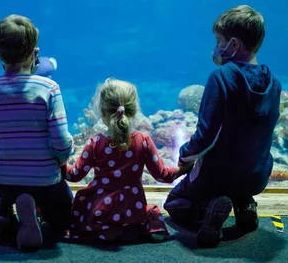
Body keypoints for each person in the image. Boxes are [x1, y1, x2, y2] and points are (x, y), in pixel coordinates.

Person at [164, 5, 282, 248]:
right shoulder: (275, 83)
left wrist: (185, 157)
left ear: (234, 45)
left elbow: (206, 136)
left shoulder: (220, 78)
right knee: (237, 178)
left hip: (219, 176)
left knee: (175, 203)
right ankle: (243, 203)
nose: (217, 47)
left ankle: (209, 209)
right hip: (256, 175)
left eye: (219, 40)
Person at [0, 14, 75, 252]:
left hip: (3, 178)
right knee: (64, 215)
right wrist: (60, 158)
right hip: (45, 180)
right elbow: (61, 142)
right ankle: (43, 213)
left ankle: (2, 207)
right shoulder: (49, 89)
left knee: (6, 187)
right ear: (35, 53)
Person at [64, 78, 192, 243]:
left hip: (100, 211)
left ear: (102, 112)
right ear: (134, 110)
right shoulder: (144, 141)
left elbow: (74, 175)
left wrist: (58, 162)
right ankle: (140, 228)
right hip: (133, 210)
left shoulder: (95, 143)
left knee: (78, 212)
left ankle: (107, 230)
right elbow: (163, 176)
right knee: (151, 212)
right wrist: (184, 168)